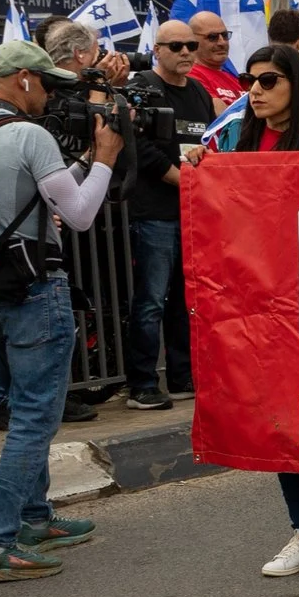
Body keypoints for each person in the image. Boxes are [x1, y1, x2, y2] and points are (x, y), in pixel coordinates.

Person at [179, 46, 299, 577]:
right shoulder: (237, 141)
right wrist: (199, 167)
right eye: (249, 81)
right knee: (283, 418)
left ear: (296, 86)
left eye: (268, 80)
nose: (255, 90)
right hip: (267, 305)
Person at [0, 42, 122, 581]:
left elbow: (32, 196)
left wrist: (80, 163)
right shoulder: (29, 134)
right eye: (46, 83)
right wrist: (105, 159)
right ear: (23, 79)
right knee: (33, 420)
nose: (51, 93)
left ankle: (34, 516)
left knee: (21, 412)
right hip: (35, 291)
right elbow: (77, 214)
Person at [122, 21, 215, 410]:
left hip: (191, 211)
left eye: (191, 45)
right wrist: (184, 180)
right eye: (176, 46)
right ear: (156, 49)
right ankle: (142, 383)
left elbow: (209, 140)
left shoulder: (197, 91)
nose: (186, 52)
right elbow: (139, 149)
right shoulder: (141, 87)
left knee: (185, 299)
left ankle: (180, 376)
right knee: (150, 301)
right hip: (154, 212)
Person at [188, 10, 241, 110]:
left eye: (225, 35)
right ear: (193, 41)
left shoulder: (234, 79)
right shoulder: (191, 77)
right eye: (212, 37)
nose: (222, 43)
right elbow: (221, 118)